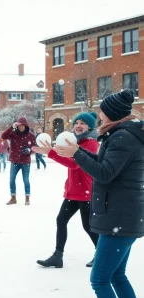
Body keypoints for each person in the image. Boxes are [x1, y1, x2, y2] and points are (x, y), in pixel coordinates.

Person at [54, 89, 144, 298]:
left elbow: (104, 173)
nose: (99, 116)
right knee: (117, 276)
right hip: (121, 216)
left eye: (102, 112)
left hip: (119, 217)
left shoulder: (123, 137)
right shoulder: (122, 135)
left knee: (100, 279)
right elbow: (103, 164)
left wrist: (76, 153)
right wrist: (78, 151)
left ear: (112, 114)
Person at [33, 112, 99, 268]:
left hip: (86, 191)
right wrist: (51, 149)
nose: (78, 125)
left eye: (82, 123)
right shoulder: (72, 141)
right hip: (73, 190)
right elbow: (66, 158)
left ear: (89, 126)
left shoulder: (91, 143)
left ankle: (102, 254)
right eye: (76, 122)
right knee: (61, 220)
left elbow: (75, 164)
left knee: (88, 226)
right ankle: (57, 256)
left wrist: (50, 153)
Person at [2, 117, 36, 205]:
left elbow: (35, 147)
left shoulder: (31, 135)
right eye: (19, 125)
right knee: (12, 180)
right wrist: (11, 127)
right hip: (15, 161)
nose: (21, 127)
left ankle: (27, 198)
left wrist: (30, 151)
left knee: (26, 180)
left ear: (26, 126)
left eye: (23, 125)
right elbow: (3, 136)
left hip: (25, 161)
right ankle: (13, 198)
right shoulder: (13, 133)